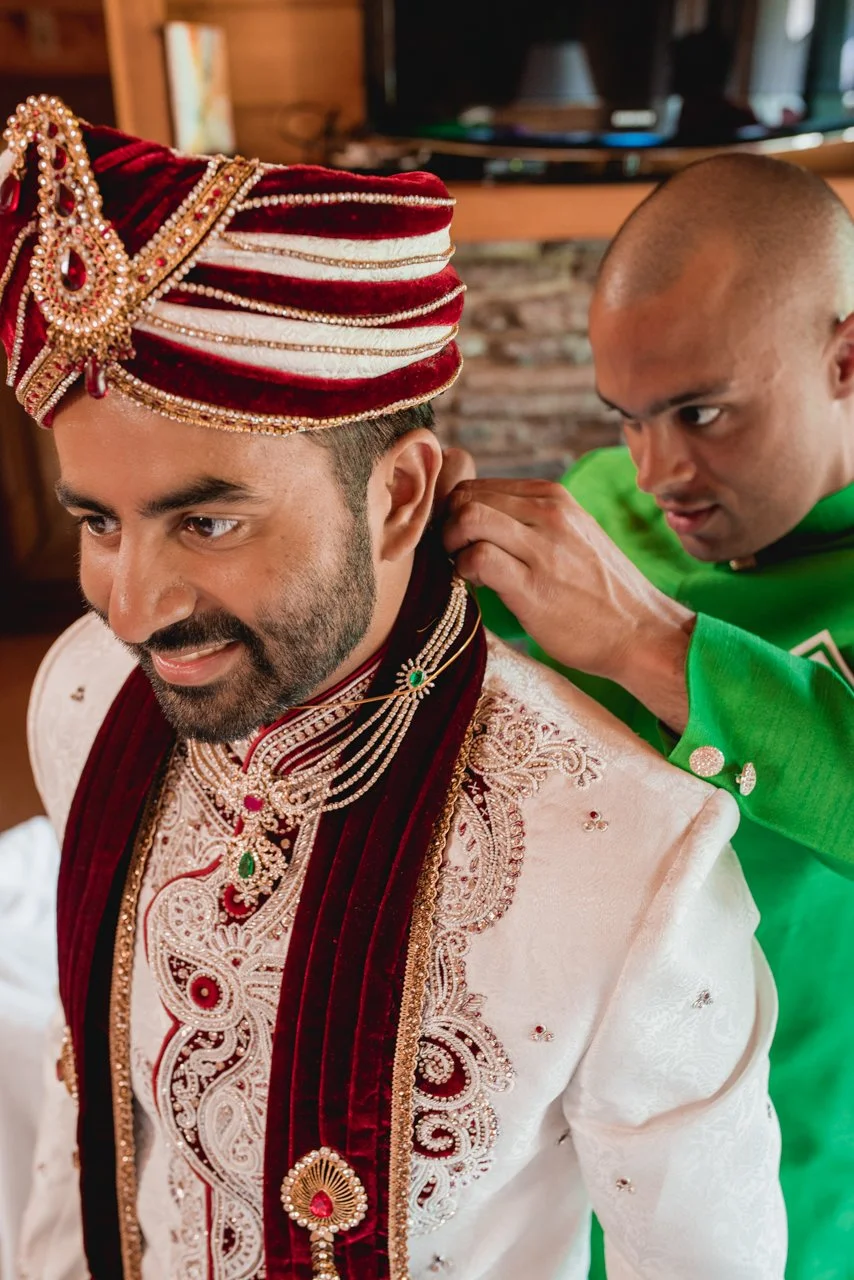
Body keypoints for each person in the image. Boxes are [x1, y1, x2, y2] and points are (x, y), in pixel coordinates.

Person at [0, 98, 786, 1280]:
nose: (130, 605)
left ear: (401, 497)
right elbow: (92, 1138)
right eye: (98, 521)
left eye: (207, 518)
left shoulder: (629, 860)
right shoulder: (81, 699)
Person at [441, 153, 854, 1280]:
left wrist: (647, 641)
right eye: (626, 416)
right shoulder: (608, 502)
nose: (657, 467)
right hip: (550, 1100)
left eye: (702, 412)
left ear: (843, 359)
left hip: (792, 1144)